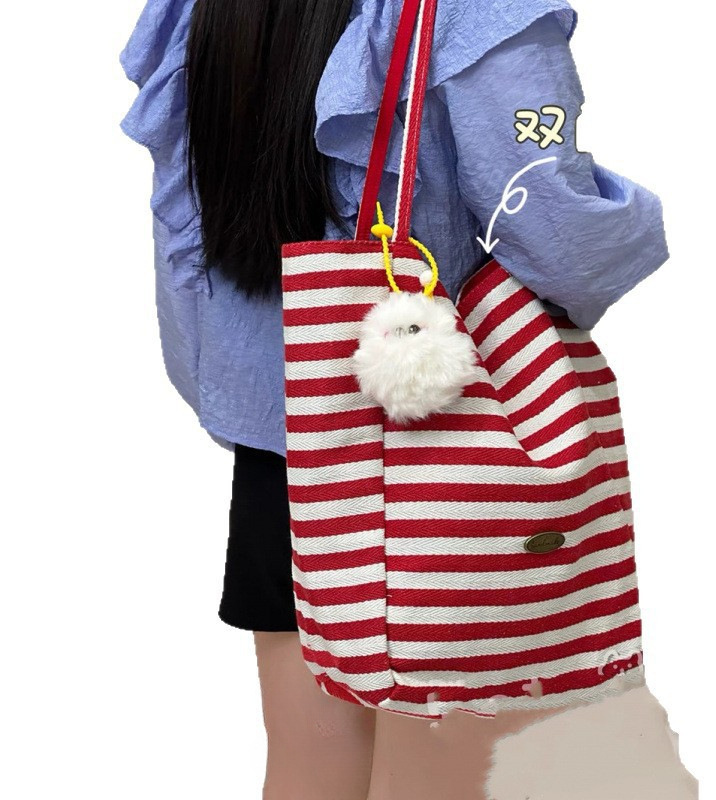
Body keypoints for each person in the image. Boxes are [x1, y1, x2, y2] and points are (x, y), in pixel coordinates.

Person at [120, 1, 677, 798]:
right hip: (448, 452)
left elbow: (188, 250)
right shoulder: (476, 11)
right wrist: (640, 227)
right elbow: (555, 226)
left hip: (289, 456)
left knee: (308, 773)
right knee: (435, 782)